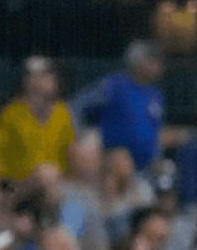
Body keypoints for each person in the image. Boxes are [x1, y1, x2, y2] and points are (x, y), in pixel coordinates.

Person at [71, 40, 166, 172]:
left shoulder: (155, 94)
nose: (158, 67)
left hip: (146, 169)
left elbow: (155, 129)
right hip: (113, 166)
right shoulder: (113, 86)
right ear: (138, 62)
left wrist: (157, 156)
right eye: (152, 61)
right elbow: (77, 105)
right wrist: (81, 135)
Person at [0, 56, 76, 183]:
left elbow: (71, 153)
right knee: (45, 174)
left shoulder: (63, 112)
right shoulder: (11, 113)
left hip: (58, 182)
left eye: (47, 75)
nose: (42, 81)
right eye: (37, 76)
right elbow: (3, 162)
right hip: (20, 184)